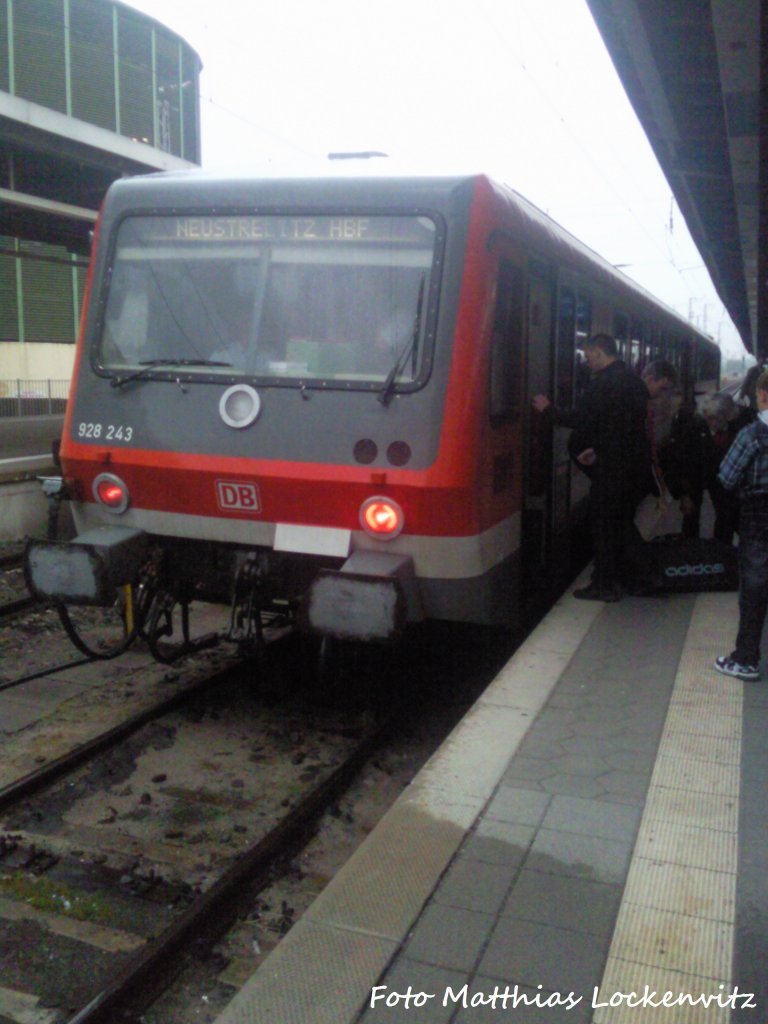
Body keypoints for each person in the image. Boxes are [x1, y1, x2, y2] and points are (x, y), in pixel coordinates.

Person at [533, 333, 651, 601]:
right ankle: (633, 576)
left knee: (602, 525)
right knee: (620, 523)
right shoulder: (634, 381)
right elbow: (618, 426)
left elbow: (582, 419)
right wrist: (596, 447)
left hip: (612, 470)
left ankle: (604, 585)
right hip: (630, 466)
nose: (587, 362)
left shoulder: (605, 384)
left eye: (588, 357)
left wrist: (548, 410)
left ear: (599, 352)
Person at [714, 369, 768, 681]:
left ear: (762, 395)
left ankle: (746, 659)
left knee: (755, 588)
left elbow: (726, 477)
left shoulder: (751, 435)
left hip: (758, 517)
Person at [672, 392, 751, 543]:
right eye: (710, 418)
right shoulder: (695, 426)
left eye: (718, 418)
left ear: (728, 416)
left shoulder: (740, 424)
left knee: (725, 514)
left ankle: (721, 549)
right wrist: (684, 495)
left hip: (723, 476)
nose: (713, 423)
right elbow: (682, 462)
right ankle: (689, 548)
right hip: (697, 473)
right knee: (691, 513)